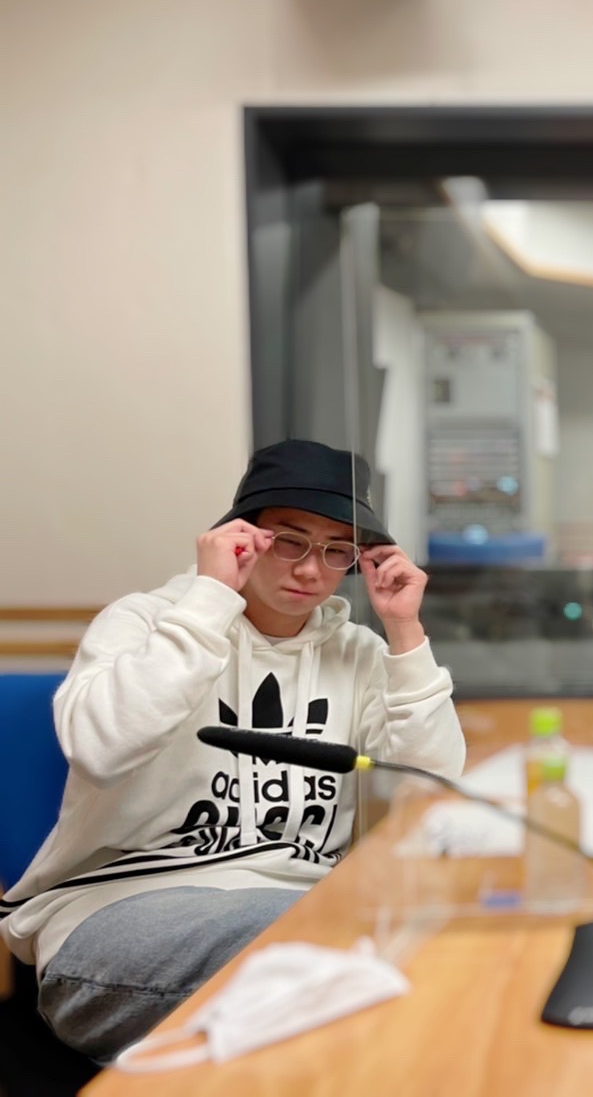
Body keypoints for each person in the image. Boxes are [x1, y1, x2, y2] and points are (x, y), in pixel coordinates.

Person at [0, 440, 466, 1060]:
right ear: (242, 537)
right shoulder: (147, 623)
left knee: (396, 968)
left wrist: (404, 632)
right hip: (121, 915)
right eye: (290, 541)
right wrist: (211, 597)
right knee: (342, 958)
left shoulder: (359, 654)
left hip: (304, 909)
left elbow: (428, 796)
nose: (312, 570)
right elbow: (102, 747)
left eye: (336, 550)